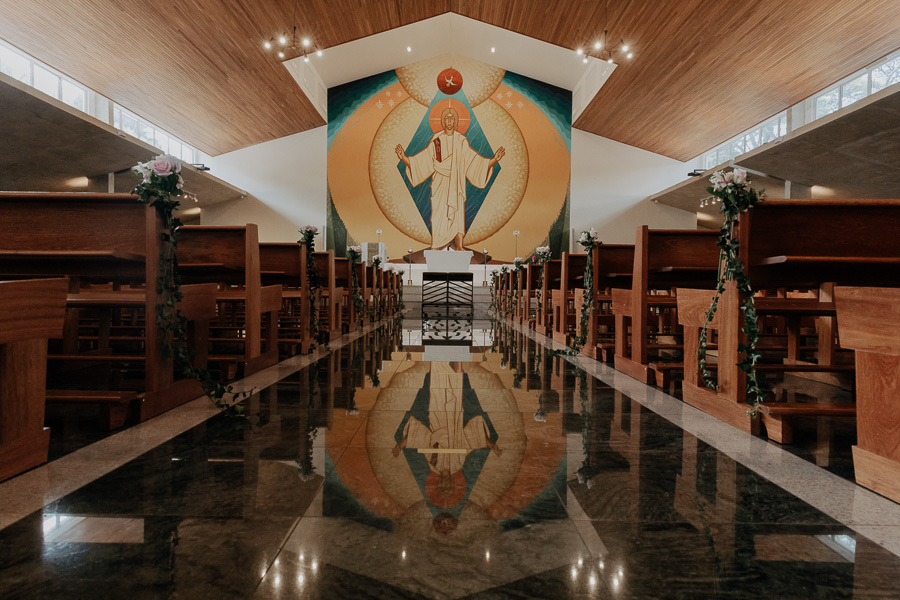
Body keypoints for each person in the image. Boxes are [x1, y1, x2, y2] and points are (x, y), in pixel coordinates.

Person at [396, 108, 505, 250]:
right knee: (438, 215)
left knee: (457, 213)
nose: (449, 121)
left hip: (456, 184)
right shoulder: (437, 141)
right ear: (442, 121)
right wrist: (404, 158)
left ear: (456, 122)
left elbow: (473, 162)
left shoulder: (461, 141)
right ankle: (437, 244)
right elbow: (423, 161)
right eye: (446, 118)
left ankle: (459, 245)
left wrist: (494, 160)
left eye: (452, 118)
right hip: (439, 185)